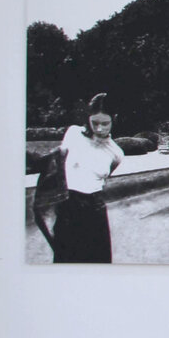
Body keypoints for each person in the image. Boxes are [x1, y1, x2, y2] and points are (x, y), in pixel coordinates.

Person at [49, 93, 125, 263]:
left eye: (105, 123)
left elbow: (104, 177)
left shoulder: (116, 153)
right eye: (95, 122)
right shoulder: (73, 133)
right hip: (68, 206)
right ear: (88, 118)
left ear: (114, 119)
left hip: (94, 209)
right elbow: (59, 165)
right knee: (64, 261)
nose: (99, 128)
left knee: (96, 262)